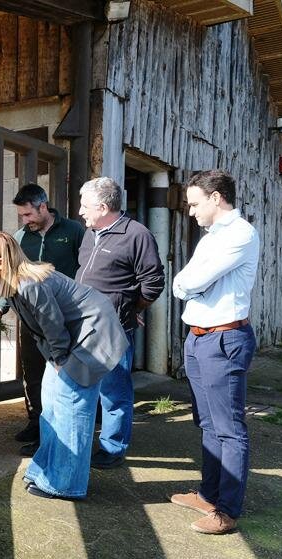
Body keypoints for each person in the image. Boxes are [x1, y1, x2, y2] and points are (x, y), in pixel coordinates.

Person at [0, 231, 128, 500]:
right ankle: (46, 469)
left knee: (72, 409)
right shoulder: (14, 283)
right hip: (71, 339)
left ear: (1, 262)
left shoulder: (29, 285)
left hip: (90, 335)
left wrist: (60, 361)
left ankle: (67, 484)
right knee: (52, 406)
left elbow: (53, 326)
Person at [170, 170, 258, 535]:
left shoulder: (240, 234)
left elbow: (190, 281)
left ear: (217, 197)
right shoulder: (212, 237)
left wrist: (189, 283)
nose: (190, 211)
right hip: (199, 337)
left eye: (194, 203)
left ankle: (227, 511)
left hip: (224, 340)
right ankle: (208, 494)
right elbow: (183, 282)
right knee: (207, 424)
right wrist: (188, 283)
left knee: (229, 429)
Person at [0, 184, 85, 456]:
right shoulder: (21, 237)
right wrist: (0, 307)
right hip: (32, 319)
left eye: (28, 214)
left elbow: (86, 268)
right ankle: (35, 422)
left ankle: (57, 430)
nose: (24, 220)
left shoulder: (73, 231)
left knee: (62, 372)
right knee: (32, 372)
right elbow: (12, 275)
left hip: (64, 316)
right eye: (21, 215)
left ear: (43, 207)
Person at [76, 177, 164, 469]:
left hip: (113, 329)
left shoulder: (137, 234)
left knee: (114, 391)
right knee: (80, 388)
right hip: (82, 325)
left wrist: (130, 307)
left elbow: (153, 283)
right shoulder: (90, 233)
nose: (80, 211)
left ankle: (113, 448)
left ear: (102, 206)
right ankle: (79, 442)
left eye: (85, 206)